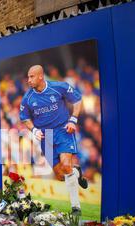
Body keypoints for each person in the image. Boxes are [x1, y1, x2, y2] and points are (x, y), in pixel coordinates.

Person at [19, 65, 87, 214]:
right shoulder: (27, 98)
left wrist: (73, 119)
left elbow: (77, 100)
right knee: (60, 175)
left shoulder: (59, 87)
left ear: (41, 76)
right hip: (46, 137)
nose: (28, 80)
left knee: (66, 164)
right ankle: (77, 172)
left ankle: (76, 207)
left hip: (63, 131)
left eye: (31, 76)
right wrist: (34, 130)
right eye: (28, 77)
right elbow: (24, 118)